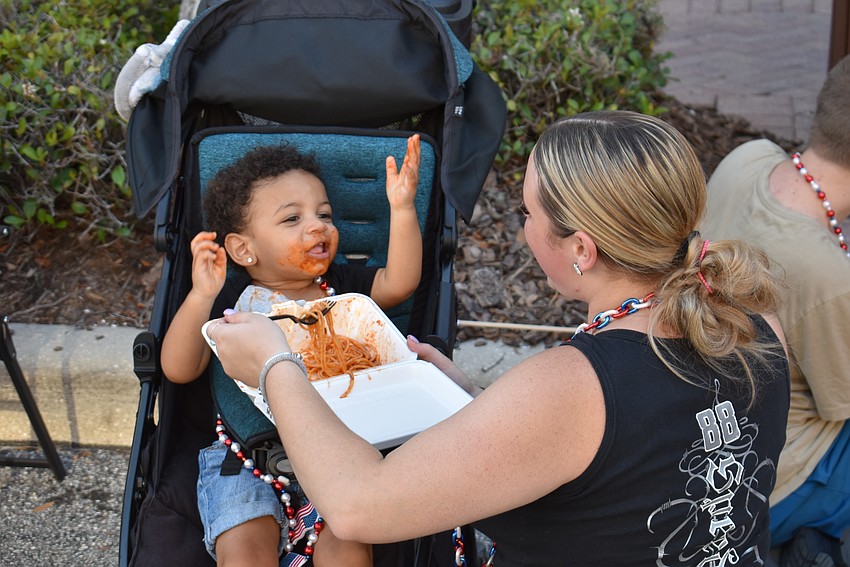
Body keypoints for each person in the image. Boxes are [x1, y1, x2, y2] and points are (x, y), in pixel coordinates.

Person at [208, 110, 791, 566]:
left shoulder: (572, 386)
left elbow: (358, 507)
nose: (523, 227)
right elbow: (630, 468)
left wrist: (275, 364)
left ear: (581, 249)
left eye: (528, 213)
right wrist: (477, 404)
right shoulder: (755, 323)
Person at [160, 134, 422, 567]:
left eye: (324, 215)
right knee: (244, 551)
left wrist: (403, 207)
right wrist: (200, 295)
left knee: (349, 549)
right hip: (244, 455)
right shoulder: (229, 301)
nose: (317, 226)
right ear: (243, 248)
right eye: (292, 219)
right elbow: (178, 369)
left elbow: (400, 283)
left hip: (339, 449)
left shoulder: (341, 287)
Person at [701, 54, 850, 565]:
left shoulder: (749, 157)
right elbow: (841, 403)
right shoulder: (827, 277)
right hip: (769, 482)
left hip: (703, 420)